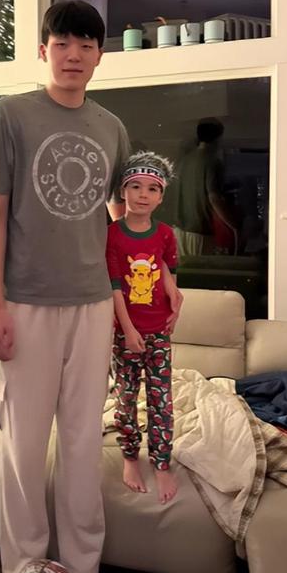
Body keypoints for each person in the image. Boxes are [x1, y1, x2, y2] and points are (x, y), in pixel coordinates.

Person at [0, 0, 129, 573]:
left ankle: (82, 571)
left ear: (99, 55)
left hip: (91, 305)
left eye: (86, 45)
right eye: (62, 43)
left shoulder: (112, 128)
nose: (73, 55)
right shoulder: (11, 115)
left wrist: (149, 280)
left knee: (84, 441)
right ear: (44, 50)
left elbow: (118, 217)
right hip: (25, 304)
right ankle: (24, 572)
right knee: (24, 444)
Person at [106, 152, 180, 504]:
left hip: (160, 331)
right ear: (123, 192)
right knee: (126, 398)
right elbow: (114, 286)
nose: (143, 195)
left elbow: (168, 270)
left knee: (161, 401)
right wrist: (128, 329)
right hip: (126, 334)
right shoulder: (112, 235)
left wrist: (175, 298)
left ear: (161, 196)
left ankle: (161, 462)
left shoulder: (165, 234)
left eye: (152, 189)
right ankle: (130, 457)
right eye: (135, 186)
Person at [175, 117, 237, 256]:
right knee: (201, 268)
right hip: (200, 232)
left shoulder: (185, 160)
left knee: (183, 268)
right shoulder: (212, 161)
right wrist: (233, 225)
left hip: (179, 230)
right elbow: (214, 198)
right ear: (218, 138)